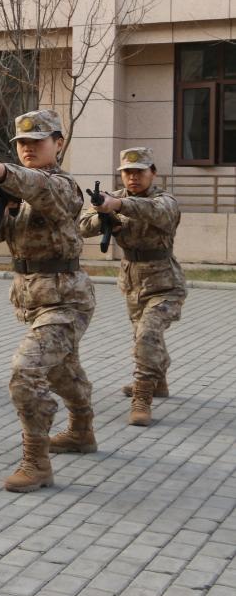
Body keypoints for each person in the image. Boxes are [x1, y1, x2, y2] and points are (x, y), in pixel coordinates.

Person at [0, 109, 96, 493]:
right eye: (21, 143)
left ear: (58, 144)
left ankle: (36, 461)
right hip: (34, 298)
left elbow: (38, 186)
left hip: (67, 301)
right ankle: (82, 430)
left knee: (25, 370)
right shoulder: (19, 191)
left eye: (37, 141)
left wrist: (2, 174)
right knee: (62, 372)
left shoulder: (62, 186)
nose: (28, 148)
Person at [80, 147, 184, 427]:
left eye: (139, 172)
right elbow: (82, 225)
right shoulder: (113, 198)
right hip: (133, 280)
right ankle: (158, 380)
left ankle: (142, 397)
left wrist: (117, 206)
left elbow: (155, 213)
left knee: (147, 335)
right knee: (142, 334)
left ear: (153, 173)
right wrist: (104, 216)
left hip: (165, 283)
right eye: (127, 172)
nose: (133, 177)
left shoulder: (165, 200)